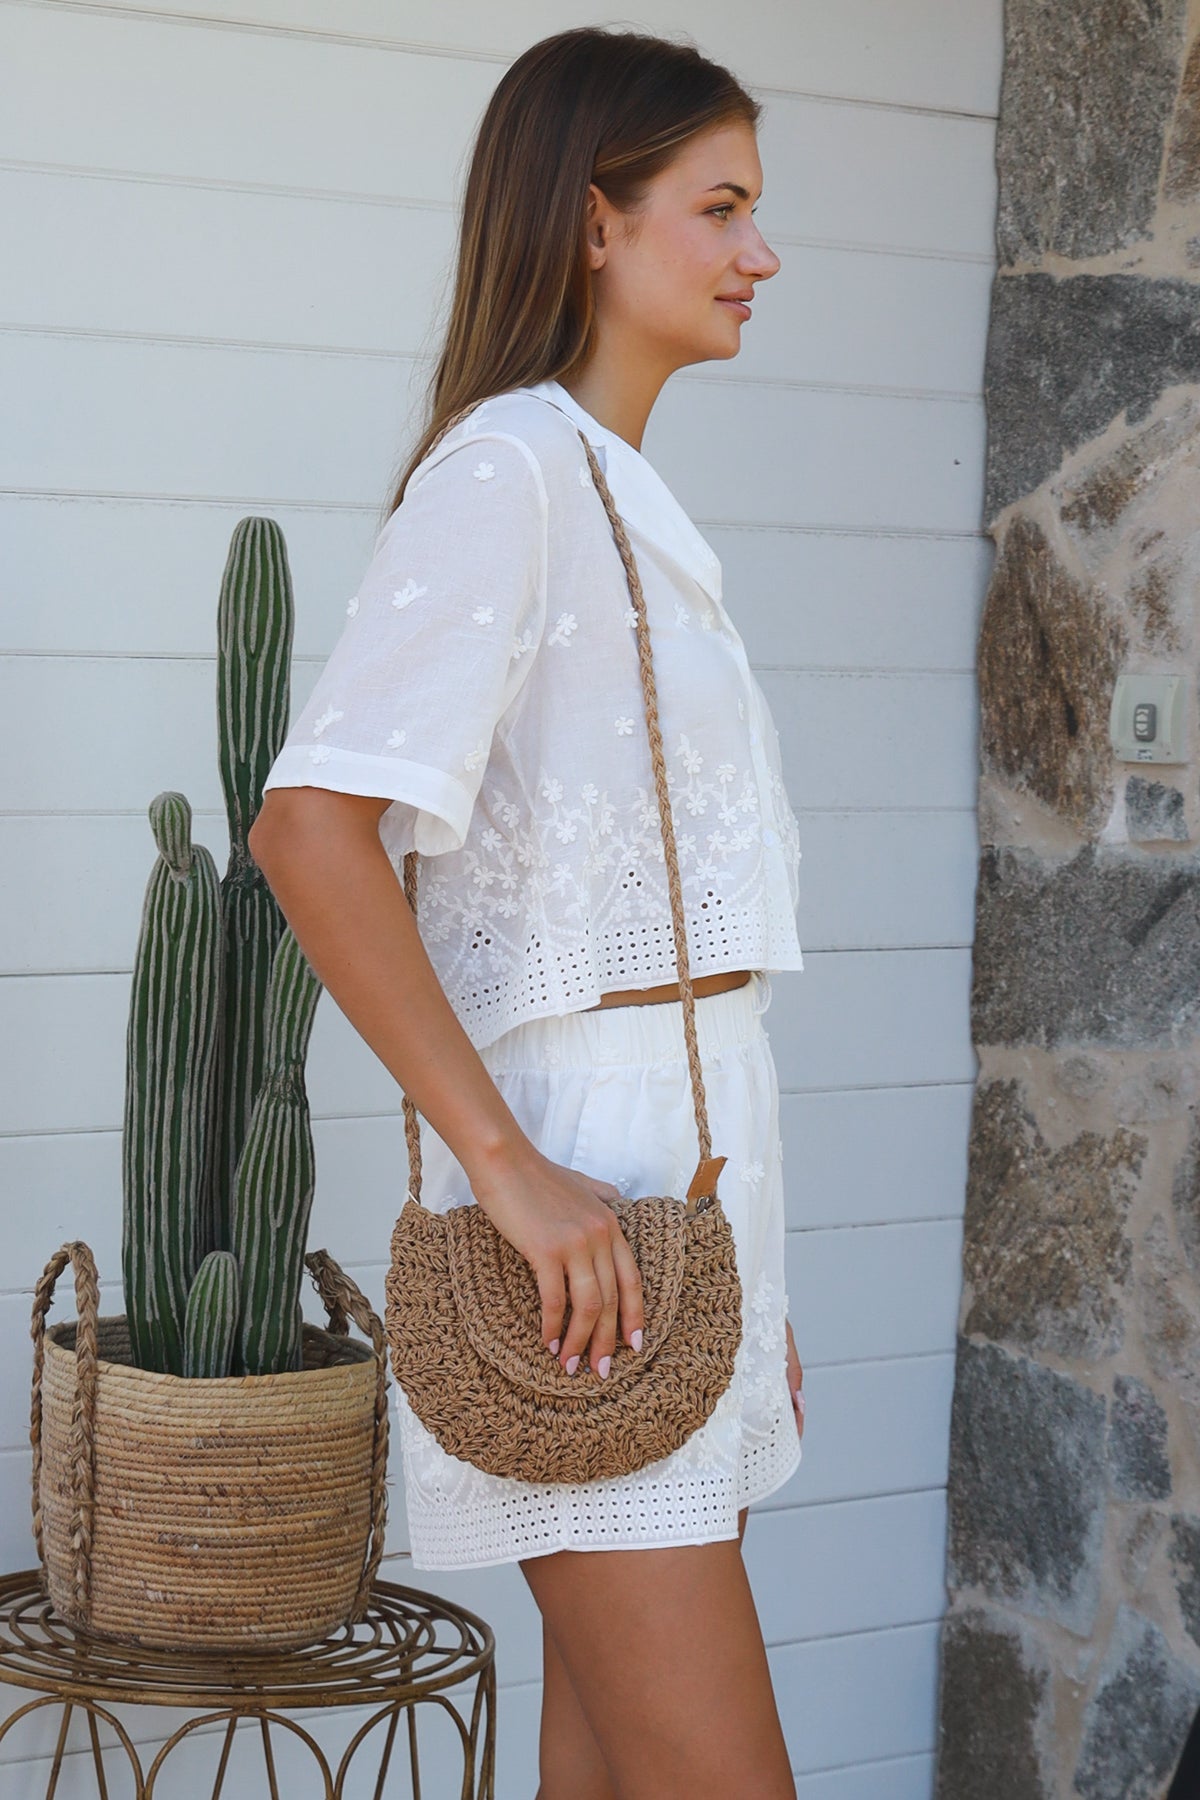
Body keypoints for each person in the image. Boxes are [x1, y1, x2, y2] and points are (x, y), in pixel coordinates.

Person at [250, 25, 807, 1800]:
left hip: (676, 1200)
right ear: (591, 220)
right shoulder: (510, 474)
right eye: (719, 206)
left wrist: (738, 1259)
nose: (761, 252)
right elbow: (310, 831)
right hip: (576, 1217)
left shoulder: (617, 495)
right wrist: (506, 1167)